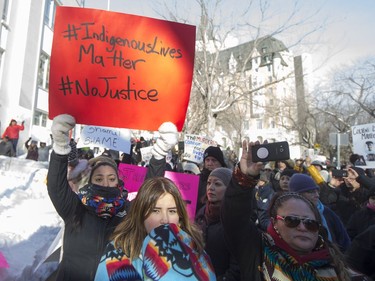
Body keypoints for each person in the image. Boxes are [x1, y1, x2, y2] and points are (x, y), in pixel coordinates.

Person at [47, 114, 178, 281]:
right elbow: (56, 187)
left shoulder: (129, 213)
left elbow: (149, 193)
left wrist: (159, 153)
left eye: (111, 178)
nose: (106, 184)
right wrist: (60, 146)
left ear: (118, 182)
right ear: (90, 182)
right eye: (99, 179)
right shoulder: (76, 209)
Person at [221, 139, 369, 281]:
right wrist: (245, 177)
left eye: (311, 224)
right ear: (275, 223)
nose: (302, 227)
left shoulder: (337, 267)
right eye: (292, 221)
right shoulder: (257, 253)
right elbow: (234, 218)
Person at [95, 177, 216, 281]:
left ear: (180, 217)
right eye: (156, 211)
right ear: (141, 214)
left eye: (172, 211)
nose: (165, 219)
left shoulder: (196, 251)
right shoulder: (117, 255)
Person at [195, 167, 240, 281]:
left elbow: (237, 267)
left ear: (229, 188)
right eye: (209, 183)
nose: (211, 187)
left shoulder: (236, 219)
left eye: (217, 184)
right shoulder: (201, 213)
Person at [289, 173, 351, 251]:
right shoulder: (288, 214)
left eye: (317, 191)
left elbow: (344, 239)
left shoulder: (326, 212)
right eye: (311, 192)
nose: (317, 195)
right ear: (297, 194)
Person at [196, 146, 227, 213]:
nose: (210, 163)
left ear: (220, 163)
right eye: (207, 160)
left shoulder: (228, 178)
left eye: (213, 160)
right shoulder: (197, 179)